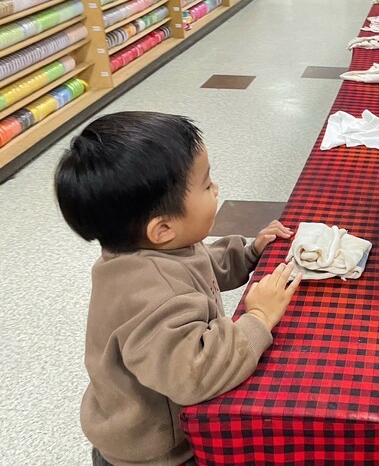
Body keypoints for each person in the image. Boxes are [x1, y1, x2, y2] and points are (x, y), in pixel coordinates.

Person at [55, 111, 303, 466]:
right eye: (206, 185)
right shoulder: (151, 293)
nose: (216, 189)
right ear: (163, 228)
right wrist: (259, 317)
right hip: (155, 451)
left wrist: (249, 255)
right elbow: (196, 373)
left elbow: (199, 268)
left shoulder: (154, 248)